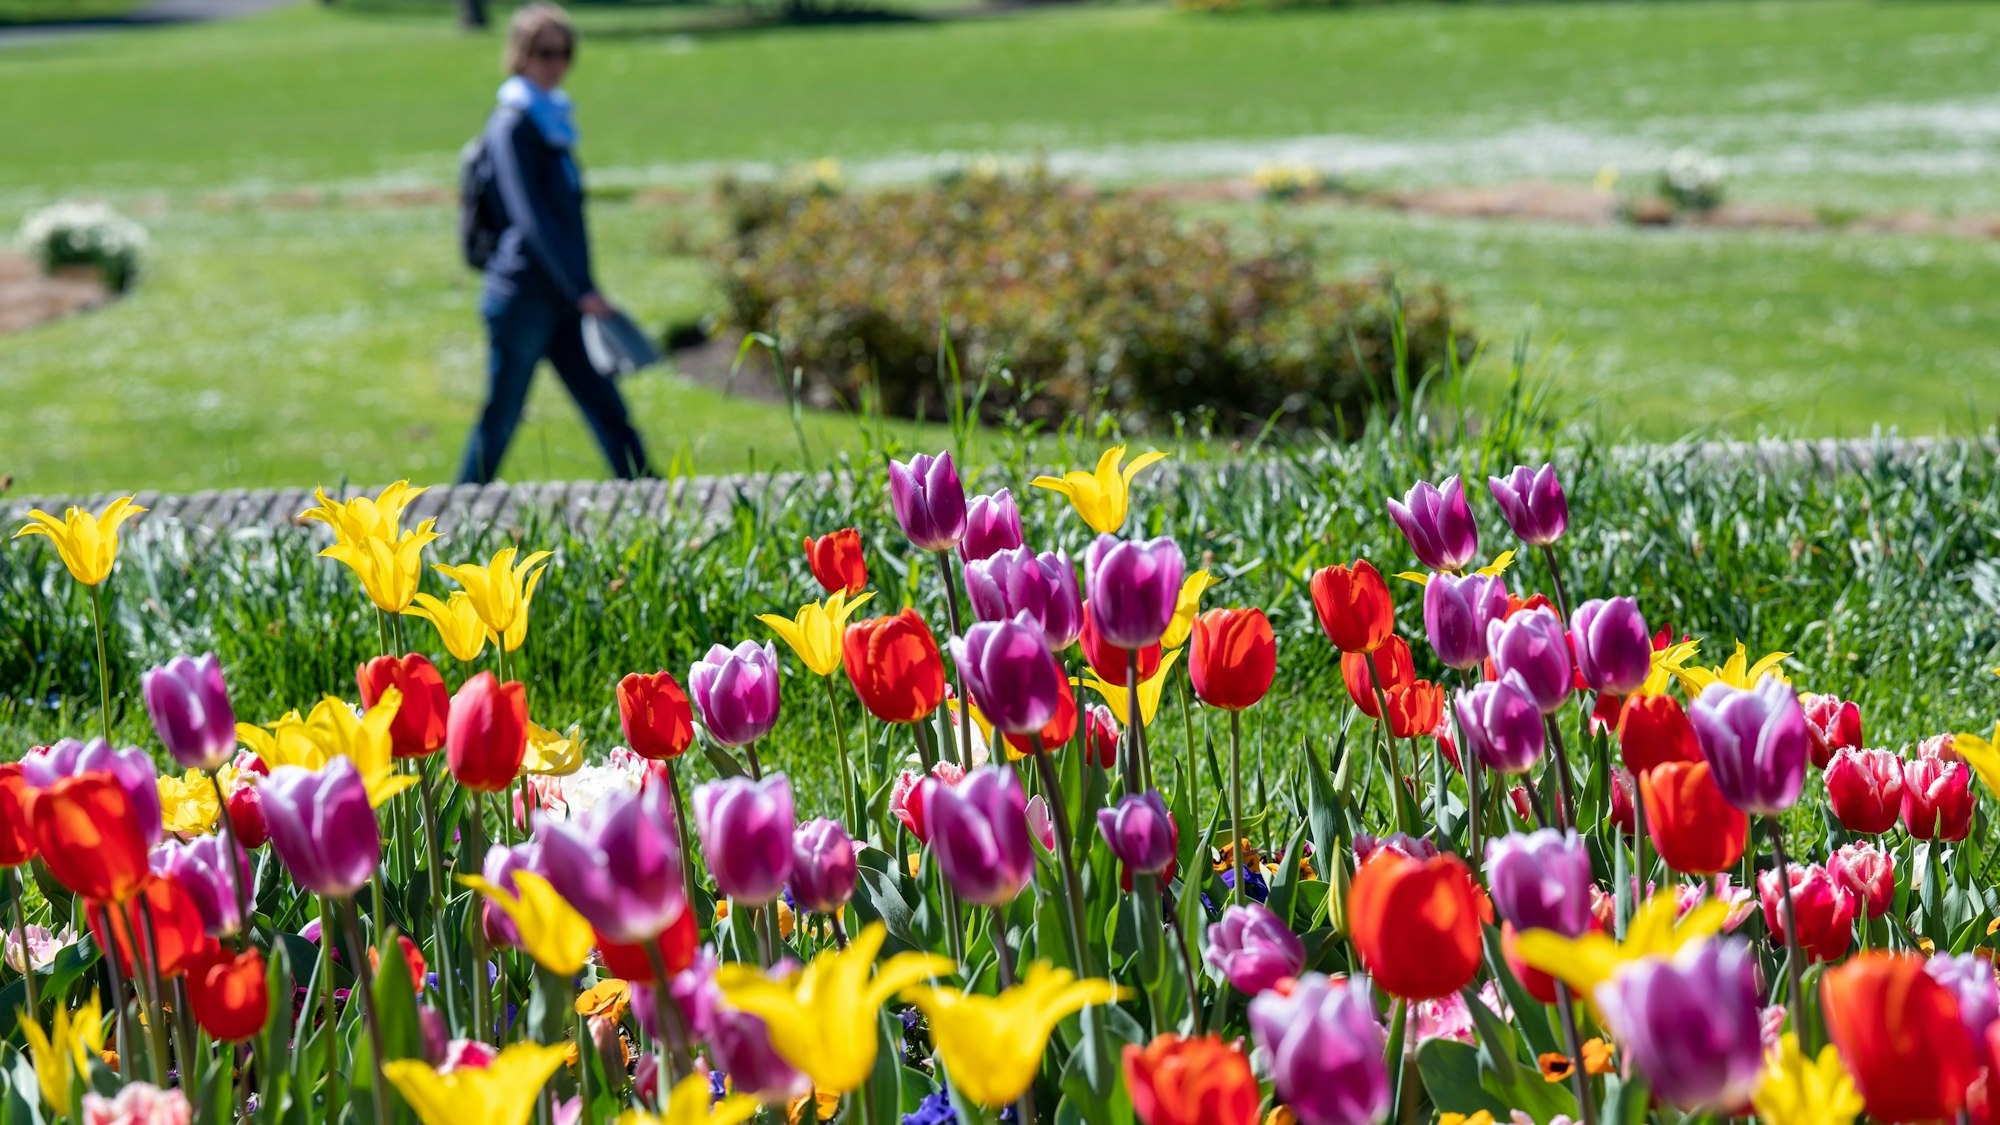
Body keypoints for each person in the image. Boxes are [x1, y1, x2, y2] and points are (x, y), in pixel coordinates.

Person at [458, 3, 650, 484]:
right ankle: (452, 511)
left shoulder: (553, 120)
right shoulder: (514, 125)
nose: (557, 63)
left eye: (565, 53)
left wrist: (578, 288)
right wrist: (582, 288)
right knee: (501, 418)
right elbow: (531, 219)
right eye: (545, 53)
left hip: (562, 299)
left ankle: (655, 500)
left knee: (608, 410)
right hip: (523, 297)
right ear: (521, 54)